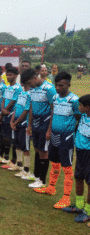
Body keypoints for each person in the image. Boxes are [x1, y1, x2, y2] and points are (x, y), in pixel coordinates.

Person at [34, 72, 80, 209]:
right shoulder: (54, 97)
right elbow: (53, 113)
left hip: (66, 138)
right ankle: (51, 187)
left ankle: (66, 197)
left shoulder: (74, 100)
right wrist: (49, 130)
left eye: (61, 85)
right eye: (57, 85)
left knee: (67, 167)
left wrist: (72, 132)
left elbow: (79, 117)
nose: (58, 88)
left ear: (68, 85)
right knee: (54, 163)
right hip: (54, 135)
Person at [22, 68, 56, 190]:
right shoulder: (33, 89)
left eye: (29, 83)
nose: (29, 86)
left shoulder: (49, 88)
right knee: (36, 149)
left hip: (45, 123)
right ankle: (36, 175)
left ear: (34, 78)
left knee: (43, 151)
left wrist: (49, 129)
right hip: (35, 123)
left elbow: (54, 109)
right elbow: (31, 107)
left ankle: (42, 180)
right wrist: (29, 125)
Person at [62, 94, 90, 224]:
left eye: (80, 105)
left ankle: (88, 211)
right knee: (79, 177)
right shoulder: (83, 116)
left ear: (87, 107)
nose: (78, 107)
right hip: (80, 151)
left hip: (89, 154)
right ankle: (79, 205)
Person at [0, 67, 22, 167]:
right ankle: (6, 157)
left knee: (12, 138)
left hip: (11, 115)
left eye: (10, 75)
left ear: (16, 76)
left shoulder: (18, 88)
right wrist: (2, 110)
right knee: (5, 136)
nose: (8, 77)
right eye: (7, 75)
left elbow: (13, 101)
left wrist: (5, 110)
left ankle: (14, 160)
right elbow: (3, 99)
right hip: (5, 114)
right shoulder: (7, 87)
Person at [10, 77, 32, 180]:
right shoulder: (21, 93)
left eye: (24, 80)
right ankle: (19, 165)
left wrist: (16, 122)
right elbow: (16, 107)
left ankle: (26, 169)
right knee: (17, 144)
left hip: (23, 124)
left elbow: (26, 111)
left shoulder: (30, 94)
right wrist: (12, 120)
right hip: (16, 122)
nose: (22, 82)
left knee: (25, 147)